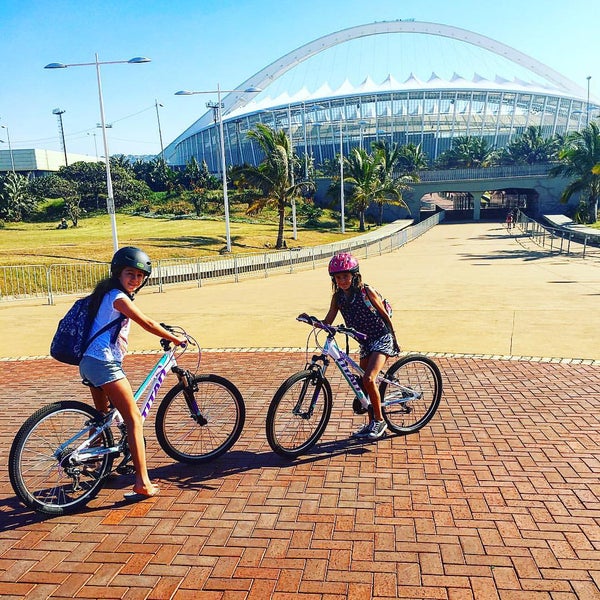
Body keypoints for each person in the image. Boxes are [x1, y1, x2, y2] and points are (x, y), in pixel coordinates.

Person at [79, 246, 185, 499]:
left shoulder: (104, 294)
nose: (135, 280)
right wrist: (175, 338)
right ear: (117, 273)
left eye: (139, 276)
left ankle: (97, 467)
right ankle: (142, 483)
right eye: (130, 273)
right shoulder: (118, 297)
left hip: (89, 362)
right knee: (134, 419)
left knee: (102, 416)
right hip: (103, 363)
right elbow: (146, 322)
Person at [323, 252, 399, 440]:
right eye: (338, 277)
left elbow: (384, 315)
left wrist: (394, 339)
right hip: (365, 341)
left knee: (369, 379)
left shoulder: (366, 291)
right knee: (364, 385)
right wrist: (314, 322)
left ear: (354, 275)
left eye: (346, 276)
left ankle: (380, 422)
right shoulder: (338, 298)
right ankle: (371, 422)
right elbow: (329, 319)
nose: (342, 281)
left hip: (382, 337)